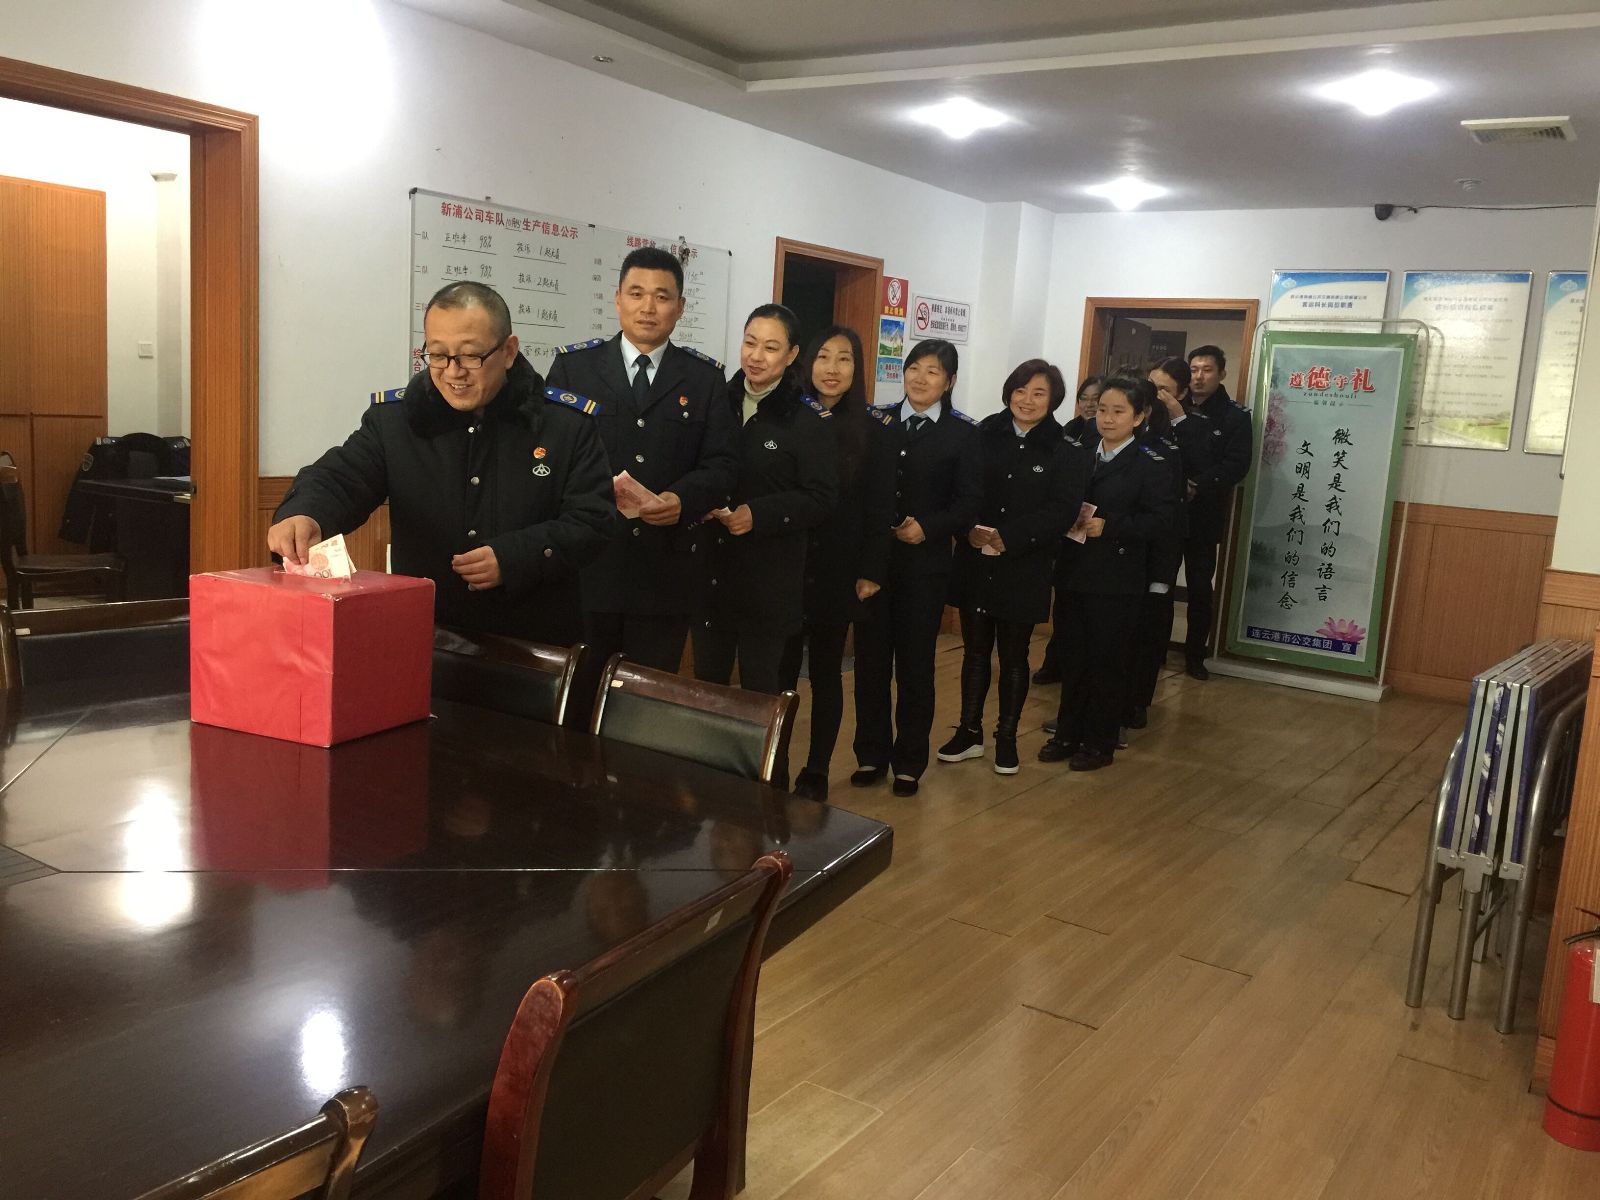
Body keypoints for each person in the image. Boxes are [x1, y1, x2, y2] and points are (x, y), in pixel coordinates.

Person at [267, 280, 616, 646]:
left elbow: (593, 520)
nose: (453, 372)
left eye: (470, 356)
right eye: (437, 355)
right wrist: (305, 512)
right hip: (427, 637)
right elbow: (342, 476)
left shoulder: (565, 425)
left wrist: (515, 557)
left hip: (535, 643)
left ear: (509, 351)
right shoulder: (396, 421)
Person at [544, 246, 737, 675]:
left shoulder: (704, 379)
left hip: (664, 572)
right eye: (636, 293)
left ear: (680, 307)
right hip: (588, 566)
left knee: (647, 697)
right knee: (580, 689)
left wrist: (682, 499)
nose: (648, 307)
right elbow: (547, 459)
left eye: (662, 296)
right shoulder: (575, 368)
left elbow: (723, 465)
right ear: (617, 299)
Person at [939, 360, 1083, 775]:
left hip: (1024, 565)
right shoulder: (982, 434)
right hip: (975, 559)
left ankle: (1006, 737)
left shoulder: (1066, 449)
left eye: (1039, 393)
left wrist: (1012, 536)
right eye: (1020, 390)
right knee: (974, 652)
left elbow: (1062, 509)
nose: (1027, 400)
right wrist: (968, 528)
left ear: (1053, 400)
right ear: (1009, 393)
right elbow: (959, 489)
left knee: (1015, 656)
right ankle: (969, 732)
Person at [851, 338, 981, 797]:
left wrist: (928, 527)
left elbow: (969, 502)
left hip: (924, 568)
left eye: (933, 371)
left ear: (949, 381)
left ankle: (909, 761)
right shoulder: (877, 421)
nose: (920, 378)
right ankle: (870, 754)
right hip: (874, 564)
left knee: (914, 666)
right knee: (870, 664)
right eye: (914, 368)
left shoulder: (964, 434)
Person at [693, 304, 837, 701]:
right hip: (711, 573)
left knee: (759, 693)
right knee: (705, 690)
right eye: (750, 343)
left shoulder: (807, 420)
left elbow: (822, 498)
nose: (756, 356)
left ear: (791, 355)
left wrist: (758, 514)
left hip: (768, 581)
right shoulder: (716, 402)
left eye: (770, 348)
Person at [779, 325, 895, 801]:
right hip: (784, 565)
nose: (832, 368)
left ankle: (816, 771)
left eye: (844, 359)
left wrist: (871, 570)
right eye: (823, 356)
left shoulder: (873, 430)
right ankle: (772, 763)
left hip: (838, 569)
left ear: (857, 368)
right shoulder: (786, 415)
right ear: (806, 362)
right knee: (780, 674)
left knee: (826, 672)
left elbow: (880, 508)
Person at [1038, 377, 1177, 772]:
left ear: (1139, 417)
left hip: (1117, 577)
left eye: (1118, 411)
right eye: (1102, 410)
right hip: (1074, 571)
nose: (1108, 418)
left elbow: (1162, 521)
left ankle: (1099, 741)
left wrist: (1112, 525)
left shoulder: (1151, 463)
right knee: (1073, 656)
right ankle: (1067, 733)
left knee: (1107, 661)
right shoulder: (1081, 454)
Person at [1126, 357, 1212, 727]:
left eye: (1165, 390)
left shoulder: (1189, 426)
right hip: (1124, 542)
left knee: (1151, 619)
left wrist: (1178, 417)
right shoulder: (1131, 421)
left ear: (1181, 393)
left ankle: (1137, 702)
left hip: (1164, 538)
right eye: (1153, 386)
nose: (1156, 394)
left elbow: (1200, 465)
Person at [1181, 344, 1253, 679]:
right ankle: (1150, 651)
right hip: (1166, 511)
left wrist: (1198, 484)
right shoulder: (1174, 406)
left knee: (1199, 587)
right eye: (1194, 369)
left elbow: (1236, 464)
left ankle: (1195, 656)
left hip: (1204, 513)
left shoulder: (1235, 416)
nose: (1198, 376)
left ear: (1222, 373)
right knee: (1157, 584)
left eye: (1207, 370)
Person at [1035, 374, 1107, 685]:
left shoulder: (1104, 436)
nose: (1090, 405)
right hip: (1065, 532)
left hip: (1097, 533)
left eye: (1097, 400)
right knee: (1063, 603)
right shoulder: (1067, 431)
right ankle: (1055, 663)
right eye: (1084, 399)